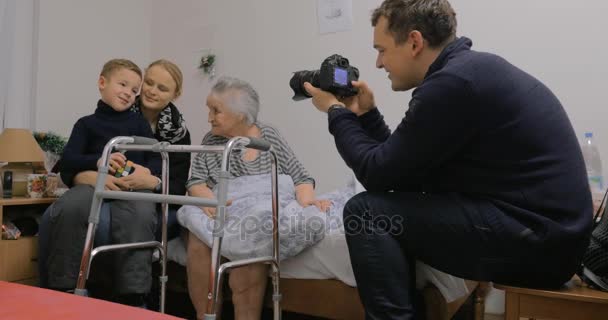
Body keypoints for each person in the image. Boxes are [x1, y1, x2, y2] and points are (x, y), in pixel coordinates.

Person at [303, 0, 593, 319]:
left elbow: (376, 172)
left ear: (414, 42)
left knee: (366, 213)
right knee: (386, 203)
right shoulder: (467, 73)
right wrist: (368, 116)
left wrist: (336, 112)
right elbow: (402, 169)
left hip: (542, 243)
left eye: (382, 50)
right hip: (551, 238)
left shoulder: (453, 84)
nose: (378, 63)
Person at [43, 58, 191, 307]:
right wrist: (91, 170)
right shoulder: (89, 123)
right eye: (148, 84)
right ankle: (63, 289)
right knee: (71, 206)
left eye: (162, 88)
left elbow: (163, 168)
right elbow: (69, 163)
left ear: (175, 95)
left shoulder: (155, 129)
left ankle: (133, 295)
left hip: (135, 191)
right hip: (92, 187)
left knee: (138, 211)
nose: (149, 91)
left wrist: (149, 177)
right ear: (103, 83)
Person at [183, 76, 330, 320]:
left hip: (257, 212)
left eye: (215, 111)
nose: (209, 117)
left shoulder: (268, 135)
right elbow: (196, 182)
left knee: (253, 232)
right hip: (225, 210)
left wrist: (306, 202)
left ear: (240, 114)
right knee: (198, 235)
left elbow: (300, 177)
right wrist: (211, 203)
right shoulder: (212, 140)